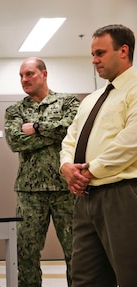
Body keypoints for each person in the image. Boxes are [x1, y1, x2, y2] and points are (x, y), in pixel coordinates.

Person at [60, 24, 137, 287]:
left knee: (130, 274)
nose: (94, 60)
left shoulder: (135, 89)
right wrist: (67, 168)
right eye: (93, 54)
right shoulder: (91, 99)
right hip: (86, 197)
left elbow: (131, 142)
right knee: (84, 278)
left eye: (100, 53)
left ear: (123, 50)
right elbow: (70, 138)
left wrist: (90, 170)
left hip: (122, 194)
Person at [4, 57, 79, 287]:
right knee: (26, 254)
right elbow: (15, 141)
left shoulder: (69, 103)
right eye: (21, 76)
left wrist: (35, 128)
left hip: (66, 188)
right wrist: (53, 133)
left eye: (29, 74)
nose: (24, 80)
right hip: (29, 192)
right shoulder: (15, 110)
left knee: (76, 252)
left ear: (44, 74)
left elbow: (71, 129)